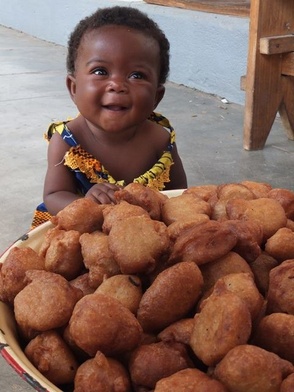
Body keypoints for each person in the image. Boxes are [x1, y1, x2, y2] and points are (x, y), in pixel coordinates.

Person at [31, 5, 187, 229]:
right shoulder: (67, 141)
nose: (117, 85)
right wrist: (88, 206)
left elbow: (178, 195)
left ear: (156, 96)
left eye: (136, 75)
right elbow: (54, 195)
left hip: (141, 232)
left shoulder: (160, 141)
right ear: (73, 88)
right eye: (100, 71)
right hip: (79, 229)